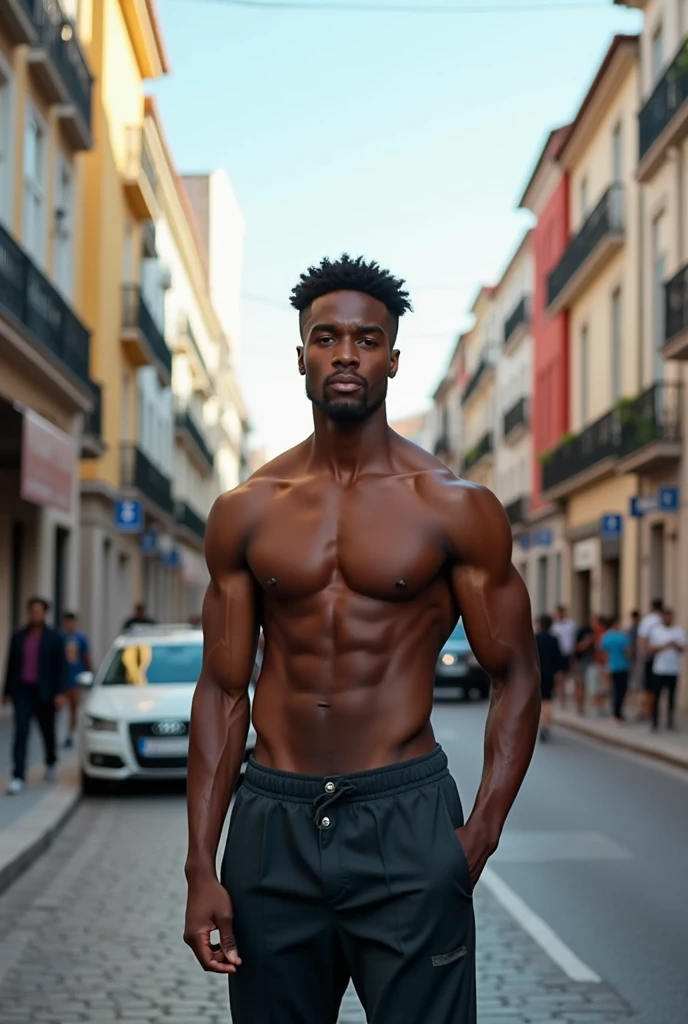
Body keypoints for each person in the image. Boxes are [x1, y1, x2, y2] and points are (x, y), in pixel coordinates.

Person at [183, 255, 541, 1024]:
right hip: (271, 821)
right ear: (302, 355)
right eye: (327, 337)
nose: (346, 353)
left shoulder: (456, 507)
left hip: (405, 815)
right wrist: (198, 868)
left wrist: (477, 836)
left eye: (367, 339)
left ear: (393, 359)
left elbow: (516, 674)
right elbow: (220, 688)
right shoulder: (246, 510)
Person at [2, 598, 67, 795]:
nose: (35, 615)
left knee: (47, 732)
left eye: (38, 611)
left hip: (45, 693)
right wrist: (5, 691)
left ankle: (50, 762)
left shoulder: (54, 638)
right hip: (23, 692)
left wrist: (60, 693)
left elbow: (60, 668)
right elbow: (10, 664)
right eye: (32, 611)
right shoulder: (18, 637)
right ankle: (18, 776)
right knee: (21, 732)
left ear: (45, 613)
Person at [648, 607, 685, 732]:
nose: (668, 619)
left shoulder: (679, 631)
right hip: (659, 669)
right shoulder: (656, 631)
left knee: (671, 697)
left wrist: (675, 645)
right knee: (657, 696)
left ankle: (670, 721)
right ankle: (655, 721)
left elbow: (683, 649)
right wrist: (664, 645)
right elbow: (651, 649)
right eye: (665, 617)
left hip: (673, 669)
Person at [62, 612, 92, 748]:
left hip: (76, 677)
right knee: (62, 706)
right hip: (63, 677)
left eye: (71, 621)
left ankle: (71, 733)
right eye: (66, 621)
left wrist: (90, 672)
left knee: (74, 706)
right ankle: (64, 732)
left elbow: (86, 656)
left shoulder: (80, 638)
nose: (69, 624)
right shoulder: (61, 638)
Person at [535, 614, 566, 742]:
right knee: (548, 699)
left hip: (536, 673)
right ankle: (545, 725)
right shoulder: (554, 639)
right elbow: (559, 658)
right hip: (550, 673)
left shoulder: (534, 639)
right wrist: (558, 672)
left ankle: (541, 724)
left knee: (538, 701)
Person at [598, 614, 631, 723]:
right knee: (621, 691)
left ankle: (615, 713)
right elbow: (628, 652)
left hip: (610, 667)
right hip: (622, 666)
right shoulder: (622, 636)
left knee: (614, 690)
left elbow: (601, 651)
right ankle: (617, 713)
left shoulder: (606, 636)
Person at [638, 598, 663, 721]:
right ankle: (653, 711)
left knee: (648, 687)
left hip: (651, 657)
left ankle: (648, 711)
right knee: (657, 687)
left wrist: (643, 653)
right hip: (662, 657)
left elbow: (642, 638)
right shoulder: (662, 620)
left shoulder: (648, 621)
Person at [551, 604, 576, 708]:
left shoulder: (571, 625)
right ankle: (562, 700)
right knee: (559, 678)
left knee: (569, 677)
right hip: (558, 654)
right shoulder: (554, 627)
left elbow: (574, 639)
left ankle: (570, 698)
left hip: (568, 653)